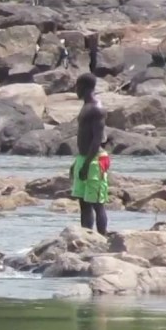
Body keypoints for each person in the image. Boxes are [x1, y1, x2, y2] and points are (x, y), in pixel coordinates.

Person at [70, 73, 110, 235]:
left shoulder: (96, 108)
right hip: (83, 157)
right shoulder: (86, 105)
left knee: (96, 203)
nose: (75, 90)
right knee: (83, 202)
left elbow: (97, 139)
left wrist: (87, 164)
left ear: (84, 87)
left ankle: (102, 236)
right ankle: (87, 236)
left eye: (77, 86)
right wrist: (77, 163)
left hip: (94, 159)